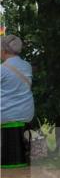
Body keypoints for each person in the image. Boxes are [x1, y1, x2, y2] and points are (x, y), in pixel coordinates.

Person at [1, 34, 35, 168]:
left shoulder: (2, 69)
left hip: (7, 115)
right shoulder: (27, 65)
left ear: (4, 51)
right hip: (27, 113)